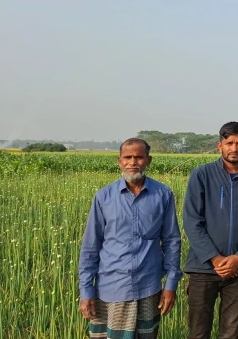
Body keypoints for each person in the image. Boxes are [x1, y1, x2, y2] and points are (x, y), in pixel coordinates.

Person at [78, 138, 182, 339]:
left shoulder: (163, 194)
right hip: (111, 286)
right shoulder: (104, 197)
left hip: (148, 286)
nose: (133, 162)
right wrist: (86, 290)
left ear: (148, 160)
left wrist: (171, 284)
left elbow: (171, 241)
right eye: (127, 157)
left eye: (139, 157)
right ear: (119, 161)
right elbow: (91, 246)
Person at [184, 121, 238, 339]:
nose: (234, 148)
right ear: (219, 145)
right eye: (229, 143)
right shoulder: (201, 175)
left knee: (231, 332)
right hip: (203, 269)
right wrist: (215, 259)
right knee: (198, 332)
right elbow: (192, 221)